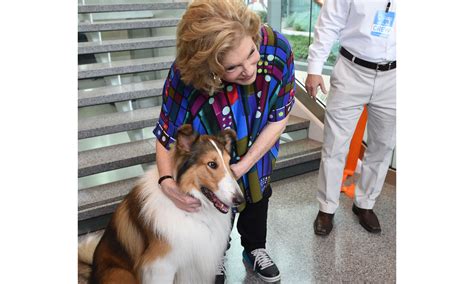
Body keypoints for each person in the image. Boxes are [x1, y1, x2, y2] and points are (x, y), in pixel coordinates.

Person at [152, 0, 295, 282]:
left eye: (252, 53)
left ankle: (255, 248)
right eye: (233, 67)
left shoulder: (277, 50)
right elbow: (166, 133)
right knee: (216, 204)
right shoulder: (185, 76)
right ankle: (217, 254)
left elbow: (279, 117)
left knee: (258, 194)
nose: (249, 70)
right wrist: (166, 182)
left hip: (259, 144)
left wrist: (243, 166)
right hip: (214, 152)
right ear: (209, 69)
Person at [305, 0, 396, 236]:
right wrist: (314, 68)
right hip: (352, 71)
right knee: (335, 145)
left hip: (394, 76)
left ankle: (365, 204)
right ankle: (326, 208)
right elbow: (329, 23)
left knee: (383, 145)